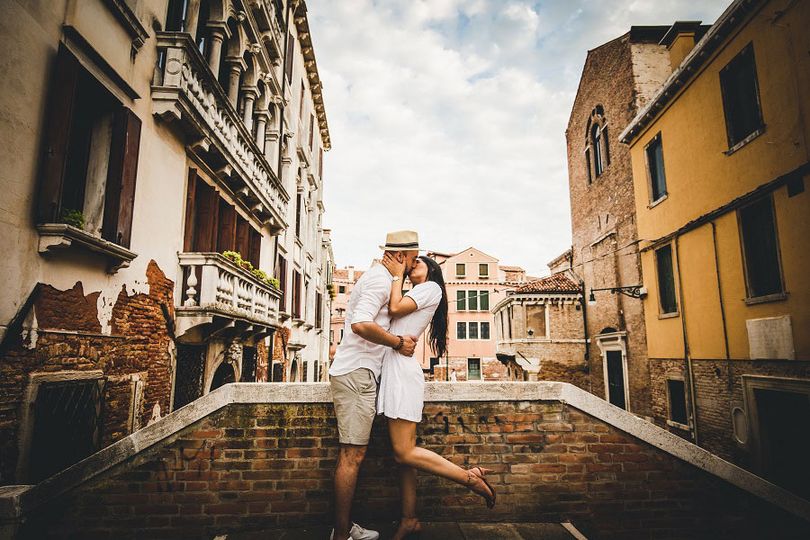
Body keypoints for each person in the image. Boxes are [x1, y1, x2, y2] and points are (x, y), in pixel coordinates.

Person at [378, 253, 496, 540]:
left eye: (417, 262)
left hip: (401, 374)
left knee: (403, 452)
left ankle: (471, 479)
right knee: (404, 458)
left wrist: (395, 274)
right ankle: (409, 519)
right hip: (395, 370)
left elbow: (393, 309)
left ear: (431, 270)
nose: (410, 265)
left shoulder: (431, 288)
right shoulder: (417, 291)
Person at [328, 231, 421, 540]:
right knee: (352, 456)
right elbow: (360, 324)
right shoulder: (380, 280)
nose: (412, 267)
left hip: (359, 373)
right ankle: (341, 535)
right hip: (356, 374)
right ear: (400, 256)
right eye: (411, 260)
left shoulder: (382, 278)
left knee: (352, 455)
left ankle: (344, 528)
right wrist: (397, 343)